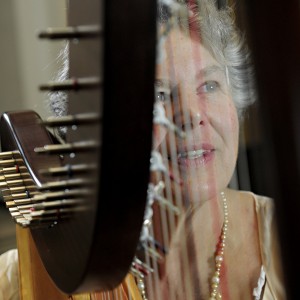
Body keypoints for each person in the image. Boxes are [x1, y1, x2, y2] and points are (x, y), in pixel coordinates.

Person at [150, 0, 286, 299]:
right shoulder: (31, 276)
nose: (190, 115)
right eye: (159, 95)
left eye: (209, 85)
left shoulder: (287, 239)